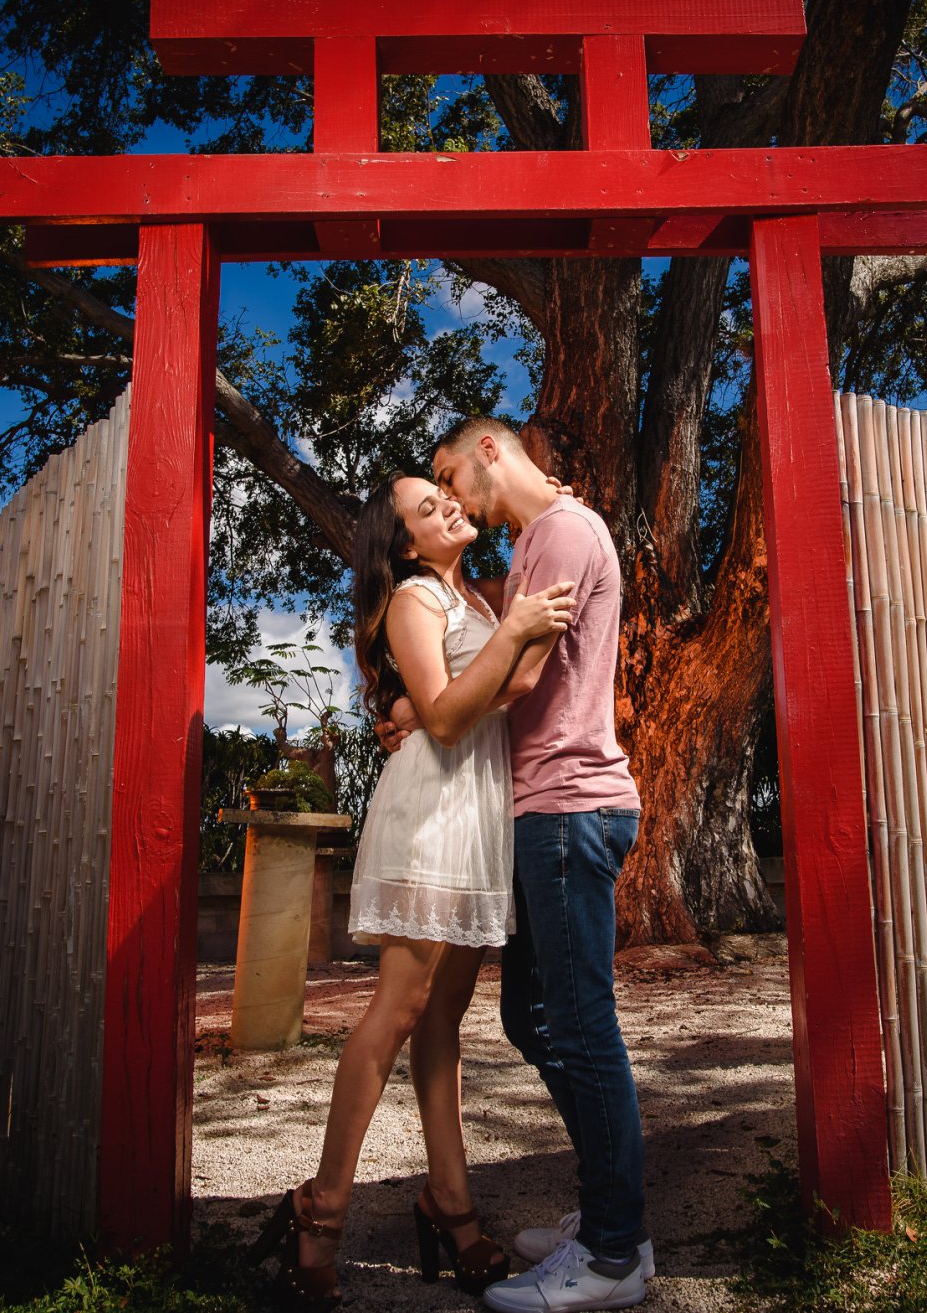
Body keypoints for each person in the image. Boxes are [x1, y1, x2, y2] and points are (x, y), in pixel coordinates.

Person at [247, 472, 577, 1310]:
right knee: (397, 1010)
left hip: (477, 817)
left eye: (447, 495)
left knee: (442, 1019)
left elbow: (495, 681)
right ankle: (321, 1209)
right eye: (430, 507)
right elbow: (446, 712)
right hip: (432, 813)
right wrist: (516, 634)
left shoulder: (472, 597)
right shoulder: (414, 599)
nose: (451, 506)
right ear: (404, 544)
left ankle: (450, 1199)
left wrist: (549, 504)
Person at [383, 415, 653, 1312]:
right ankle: (613, 1211)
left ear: (490, 451)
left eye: (448, 472)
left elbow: (525, 675)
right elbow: (483, 629)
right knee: (534, 1018)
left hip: (571, 805)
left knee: (579, 1024)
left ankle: (614, 1254)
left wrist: (429, 713)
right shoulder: (541, 537)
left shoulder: (564, 531)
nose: (449, 492)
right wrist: (420, 702)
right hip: (541, 811)